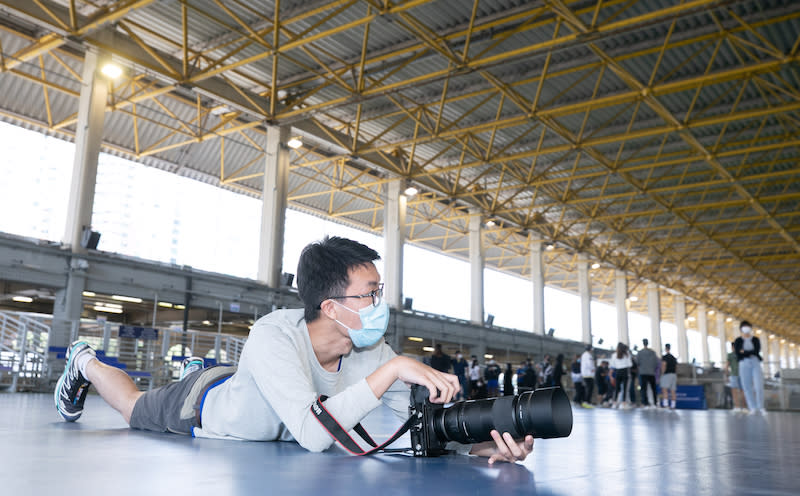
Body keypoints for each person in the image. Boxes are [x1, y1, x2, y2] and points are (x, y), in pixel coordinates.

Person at [54, 236, 532, 464]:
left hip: (255, 382)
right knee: (134, 405)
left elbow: (420, 418)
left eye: (379, 291)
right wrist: (393, 371)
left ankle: (206, 369)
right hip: (204, 406)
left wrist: (480, 441)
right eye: (369, 294)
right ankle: (84, 359)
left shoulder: (369, 348)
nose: (378, 304)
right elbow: (313, 433)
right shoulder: (273, 334)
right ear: (330, 305)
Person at [734, 320, 765, 415]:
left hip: (755, 362)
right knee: (747, 386)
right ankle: (752, 407)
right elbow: (738, 353)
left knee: (758, 385)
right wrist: (748, 352)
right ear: (741, 329)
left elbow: (756, 351)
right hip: (743, 364)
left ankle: (760, 407)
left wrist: (744, 352)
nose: (746, 328)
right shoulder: (738, 340)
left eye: (747, 326)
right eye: (744, 326)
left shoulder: (755, 339)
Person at [637, 339, 659, 409]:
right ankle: (655, 403)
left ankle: (645, 403)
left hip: (643, 372)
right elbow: (656, 362)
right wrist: (652, 368)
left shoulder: (640, 353)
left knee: (644, 389)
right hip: (651, 373)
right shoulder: (653, 352)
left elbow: (637, 362)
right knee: (653, 389)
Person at [610, 342, 633, 409]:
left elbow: (613, 365)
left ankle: (614, 403)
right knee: (625, 389)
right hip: (625, 371)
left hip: (617, 371)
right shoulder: (627, 354)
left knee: (617, 388)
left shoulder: (614, 355)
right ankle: (623, 403)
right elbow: (630, 364)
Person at [726, 341, 745, 413]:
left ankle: (740, 407)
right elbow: (727, 366)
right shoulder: (741, 354)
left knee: (738, 392)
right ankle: (741, 407)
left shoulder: (731, 355)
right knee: (740, 391)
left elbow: (727, 366)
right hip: (737, 375)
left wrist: (727, 375)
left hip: (737, 375)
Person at [660, 343, 678, 409]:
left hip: (667, 374)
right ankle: (673, 405)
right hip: (673, 375)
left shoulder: (665, 357)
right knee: (673, 391)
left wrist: (662, 373)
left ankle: (665, 404)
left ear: (665, 348)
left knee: (665, 390)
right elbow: (676, 367)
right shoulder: (673, 357)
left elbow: (664, 365)